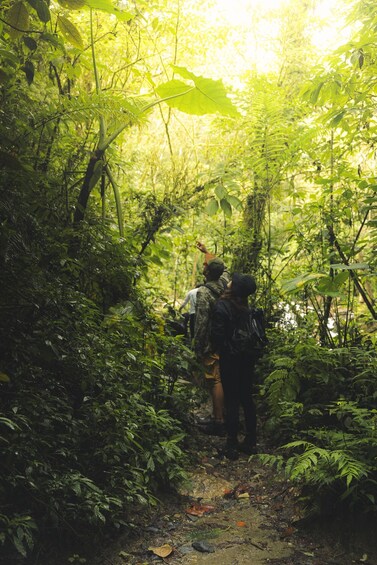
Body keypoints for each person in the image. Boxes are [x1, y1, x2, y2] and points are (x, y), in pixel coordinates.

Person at [211, 272, 259, 459]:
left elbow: (217, 336)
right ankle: (251, 441)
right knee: (247, 398)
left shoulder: (222, 307)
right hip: (247, 359)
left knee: (232, 400)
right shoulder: (247, 309)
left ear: (233, 288)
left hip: (230, 359)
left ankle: (231, 444)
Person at [194, 242, 230, 435]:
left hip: (211, 342)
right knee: (222, 378)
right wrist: (207, 252)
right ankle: (222, 415)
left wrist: (197, 346)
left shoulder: (204, 293)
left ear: (207, 272)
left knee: (215, 380)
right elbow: (224, 269)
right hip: (227, 340)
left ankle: (218, 421)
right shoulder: (225, 284)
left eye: (205, 265)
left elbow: (200, 321)